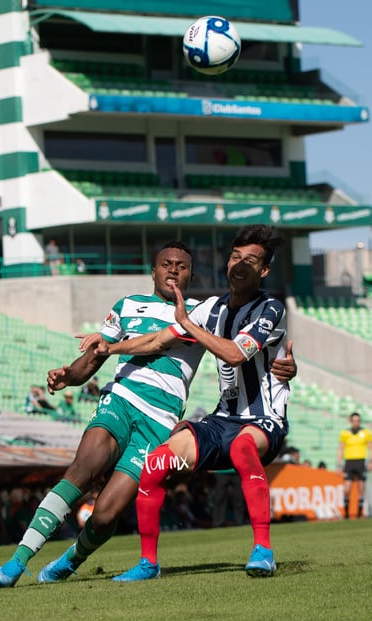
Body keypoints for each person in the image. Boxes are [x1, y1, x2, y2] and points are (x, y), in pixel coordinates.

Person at [0, 239, 296, 588]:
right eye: (167, 264)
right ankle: (17, 561)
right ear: (153, 270)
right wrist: (72, 375)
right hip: (120, 399)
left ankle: (72, 558)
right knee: (84, 469)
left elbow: (251, 350)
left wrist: (284, 367)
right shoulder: (129, 305)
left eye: (182, 266)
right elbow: (107, 353)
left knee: (106, 514)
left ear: (192, 275)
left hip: (160, 420)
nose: (174, 270)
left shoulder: (203, 311)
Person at [102, 224, 291, 581]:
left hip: (264, 420)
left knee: (242, 447)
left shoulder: (270, 308)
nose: (240, 264)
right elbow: (158, 340)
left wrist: (189, 322)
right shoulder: (211, 308)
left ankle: (263, 551)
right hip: (222, 420)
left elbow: (236, 354)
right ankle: (148, 563)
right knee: (156, 462)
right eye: (236, 256)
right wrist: (109, 347)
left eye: (251, 260)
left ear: (263, 270)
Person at [337, 412, 372, 518]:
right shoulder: (345, 433)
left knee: (361, 489)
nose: (356, 423)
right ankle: (346, 514)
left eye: (358, 420)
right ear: (351, 421)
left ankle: (358, 513)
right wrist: (338, 464)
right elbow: (341, 449)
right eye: (354, 420)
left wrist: (371, 461)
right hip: (349, 462)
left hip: (361, 462)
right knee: (346, 489)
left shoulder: (365, 433)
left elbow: (371, 447)